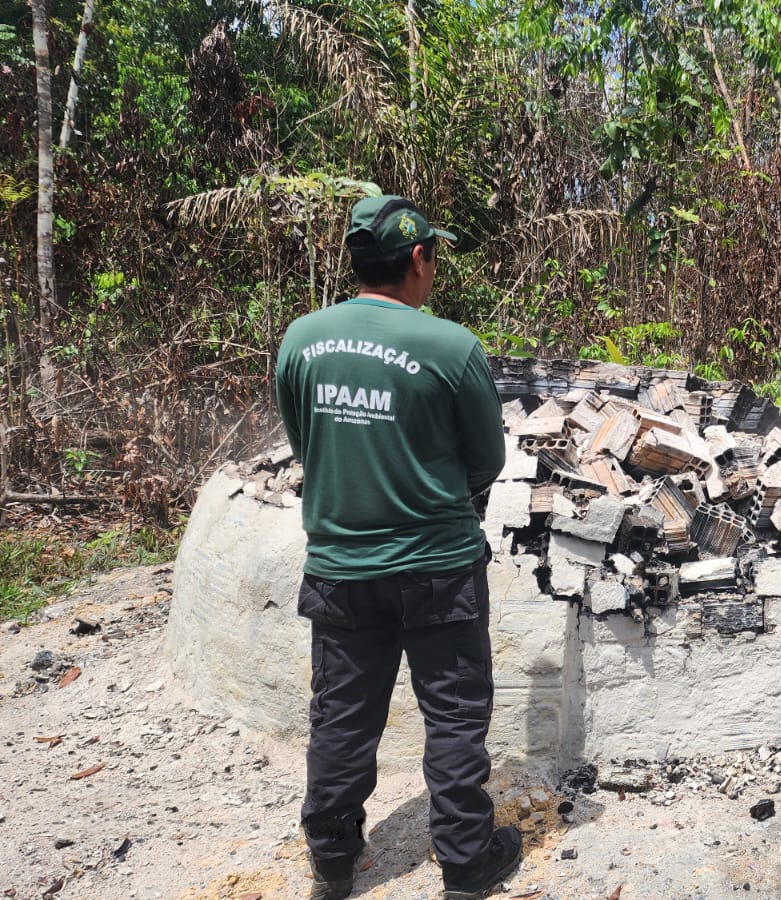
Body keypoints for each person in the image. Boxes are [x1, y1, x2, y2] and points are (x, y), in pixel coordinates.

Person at [274, 195, 520, 900]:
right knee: (454, 714)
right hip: (439, 567)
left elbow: (305, 442)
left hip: (341, 569)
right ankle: (466, 862)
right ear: (418, 258)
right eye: (433, 257)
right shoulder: (452, 347)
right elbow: (487, 460)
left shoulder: (301, 340)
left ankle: (332, 860)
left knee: (342, 717)